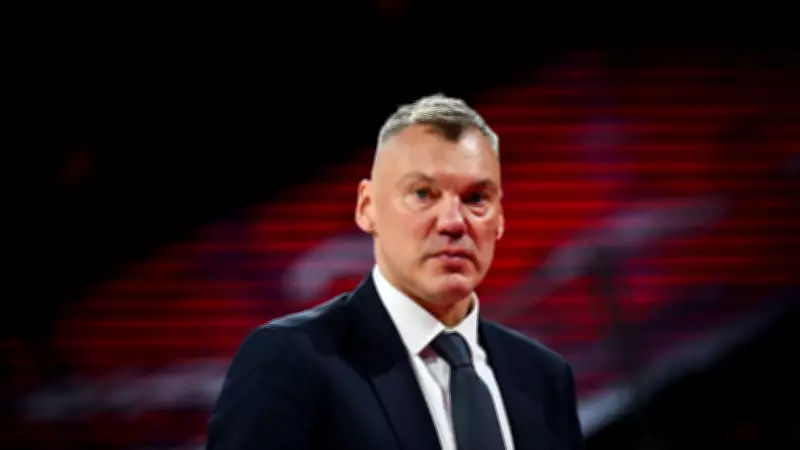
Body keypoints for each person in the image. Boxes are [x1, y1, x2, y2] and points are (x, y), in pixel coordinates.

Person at [206, 94, 584, 450]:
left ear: (500, 217)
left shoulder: (543, 377)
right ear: (367, 207)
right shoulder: (290, 361)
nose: (454, 222)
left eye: (476, 198)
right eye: (423, 194)